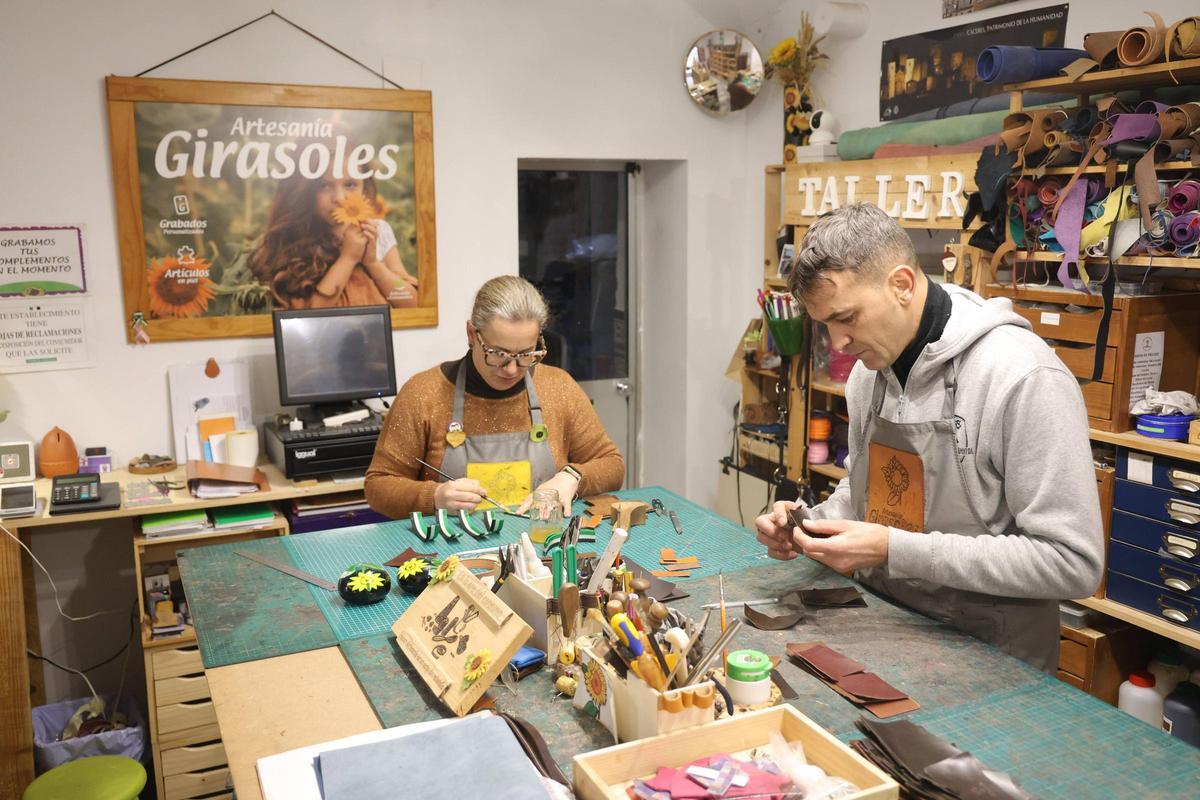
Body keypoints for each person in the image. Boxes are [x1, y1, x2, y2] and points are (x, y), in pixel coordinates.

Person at [755, 203, 1103, 672]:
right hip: (888, 624)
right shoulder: (868, 375)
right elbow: (865, 492)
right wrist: (809, 523)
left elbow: (1072, 562)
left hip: (990, 654)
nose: (837, 343)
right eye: (826, 325)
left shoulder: (1022, 377)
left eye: (848, 318)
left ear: (901, 284)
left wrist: (892, 550)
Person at [365, 275, 625, 517]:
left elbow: (612, 465)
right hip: (453, 556)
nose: (512, 370)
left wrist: (572, 477)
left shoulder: (559, 388)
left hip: (540, 546)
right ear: (471, 334)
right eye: (498, 355)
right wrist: (433, 496)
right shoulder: (424, 393)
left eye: (526, 354)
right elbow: (378, 487)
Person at [249, 143, 418, 310]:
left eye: (350, 184)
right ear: (304, 191)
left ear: (364, 186)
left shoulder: (378, 231)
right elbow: (312, 313)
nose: (339, 198)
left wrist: (373, 263)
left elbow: (410, 301)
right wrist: (348, 258)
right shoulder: (296, 240)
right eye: (324, 186)